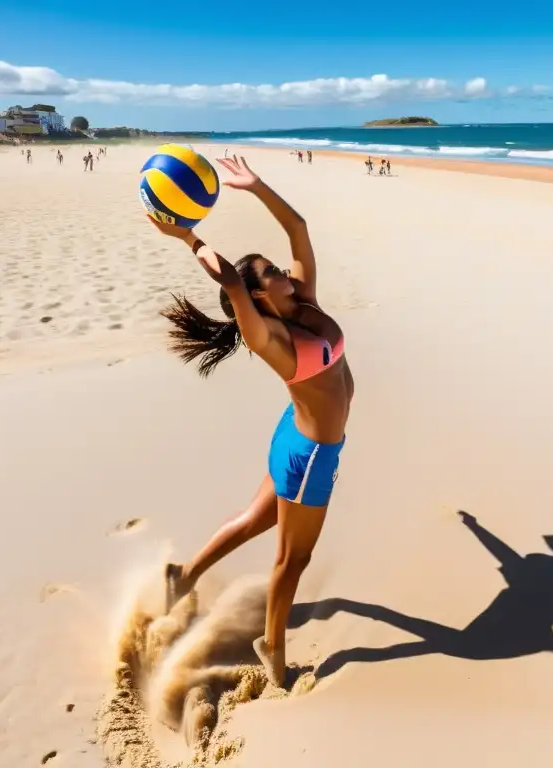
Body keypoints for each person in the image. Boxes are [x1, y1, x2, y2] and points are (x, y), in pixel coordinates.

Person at [148, 155, 354, 688]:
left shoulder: (303, 300)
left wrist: (257, 186)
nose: (284, 272)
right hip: (310, 454)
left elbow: (299, 229)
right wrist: (190, 238)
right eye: (272, 274)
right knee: (293, 559)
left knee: (256, 519)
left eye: (278, 268)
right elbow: (233, 288)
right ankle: (274, 649)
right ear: (260, 295)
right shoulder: (273, 342)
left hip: (296, 432)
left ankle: (183, 576)